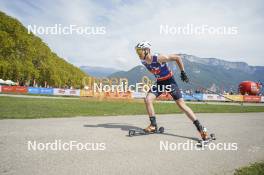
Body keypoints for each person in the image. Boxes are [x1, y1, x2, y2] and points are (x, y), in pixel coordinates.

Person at [135, 41, 209, 140]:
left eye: (140, 51)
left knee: (182, 106)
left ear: (147, 50)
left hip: (170, 82)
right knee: (148, 99)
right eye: (137, 52)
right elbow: (155, 71)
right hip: (160, 82)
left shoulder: (158, 58)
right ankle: (153, 125)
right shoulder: (143, 62)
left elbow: (177, 57)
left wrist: (183, 72)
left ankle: (200, 128)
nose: (138, 54)